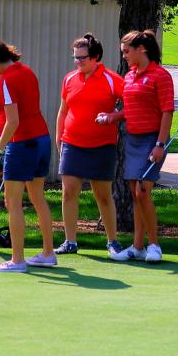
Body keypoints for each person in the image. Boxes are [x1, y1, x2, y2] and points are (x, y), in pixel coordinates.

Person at [0, 39, 55, 272]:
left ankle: (17, 260)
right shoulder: (27, 70)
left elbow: (13, 121)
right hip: (42, 139)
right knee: (37, 197)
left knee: (11, 201)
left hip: (22, 143)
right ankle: (47, 253)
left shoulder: (6, 80)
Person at [99, 30, 173, 263]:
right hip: (133, 139)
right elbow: (130, 110)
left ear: (142, 49)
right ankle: (138, 246)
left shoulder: (160, 75)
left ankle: (154, 245)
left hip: (153, 139)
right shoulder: (130, 76)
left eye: (127, 51)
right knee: (135, 193)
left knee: (142, 192)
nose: (124, 57)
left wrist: (160, 143)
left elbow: (167, 111)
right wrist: (113, 116)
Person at [55, 34, 123, 257]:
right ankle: (70, 241)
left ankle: (112, 241)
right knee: (68, 192)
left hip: (102, 145)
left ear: (95, 57)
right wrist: (59, 137)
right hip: (72, 143)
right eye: (75, 58)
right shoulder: (69, 79)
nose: (78, 62)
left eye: (82, 58)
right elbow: (64, 110)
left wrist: (114, 115)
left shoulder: (112, 79)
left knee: (103, 195)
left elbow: (130, 106)